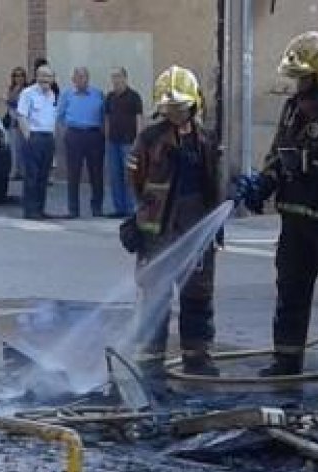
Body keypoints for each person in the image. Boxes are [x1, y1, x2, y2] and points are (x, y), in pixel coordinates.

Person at [236, 32, 318, 378]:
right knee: (290, 290)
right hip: (294, 218)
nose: (299, 82)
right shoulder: (292, 107)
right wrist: (262, 185)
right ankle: (287, 359)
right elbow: (280, 152)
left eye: (304, 76)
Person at [122, 65, 223, 379]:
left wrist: (215, 227)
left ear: (193, 105)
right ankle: (151, 361)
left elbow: (215, 185)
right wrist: (143, 219)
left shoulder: (205, 138)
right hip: (159, 232)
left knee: (197, 294)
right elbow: (137, 183)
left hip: (197, 227)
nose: (176, 113)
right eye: (170, 108)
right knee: (155, 295)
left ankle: (197, 357)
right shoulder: (150, 138)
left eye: (181, 108)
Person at [58, 67, 107, 218]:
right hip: (74, 134)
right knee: (73, 173)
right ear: (73, 80)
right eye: (78, 77)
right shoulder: (67, 95)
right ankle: (73, 209)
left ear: (88, 78)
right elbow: (60, 115)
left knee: (96, 173)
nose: (82, 80)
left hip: (94, 135)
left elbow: (105, 115)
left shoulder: (98, 94)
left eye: (84, 77)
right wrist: (64, 134)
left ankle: (97, 207)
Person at [15, 65, 58, 220]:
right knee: (32, 175)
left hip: (48, 138)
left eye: (49, 77)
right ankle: (30, 210)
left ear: (53, 79)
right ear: (37, 77)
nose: (46, 80)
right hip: (34, 137)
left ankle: (40, 209)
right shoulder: (28, 93)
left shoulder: (52, 95)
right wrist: (28, 136)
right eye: (43, 76)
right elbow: (21, 116)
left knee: (43, 176)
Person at [104, 67, 143, 218]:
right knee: (115, 176)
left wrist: (139, 141)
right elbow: (107, 119)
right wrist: (107, 137)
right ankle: (119, 208)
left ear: (125, 78)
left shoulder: (134, 97)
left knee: (129, 177)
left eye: (118, 77)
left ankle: (130, 209)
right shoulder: (110, 97)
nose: (116, 80)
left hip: (129, 143)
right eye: (113, 77)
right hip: (113, 142)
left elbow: (139, 119)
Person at [6, 67, 28, 180]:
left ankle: (24, 171)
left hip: (25, 123)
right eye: (16, 75)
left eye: (21, 75)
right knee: (14, 149)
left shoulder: (28, 90)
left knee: (24, 149)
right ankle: (14, 171)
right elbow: (9, 104)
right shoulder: (12, 89)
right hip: (14, 122)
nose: (18, 78)